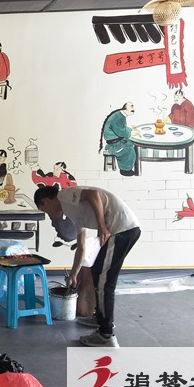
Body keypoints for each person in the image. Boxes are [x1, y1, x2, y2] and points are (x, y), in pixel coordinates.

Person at [33, 185, 141, 348]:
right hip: (120, 230)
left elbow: (93, 194)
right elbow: (81, 247)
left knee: (104, 281)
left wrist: (102, 226)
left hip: (122, 229)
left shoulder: (64, 195)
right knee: (97, 271)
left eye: (45, 211)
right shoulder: (72, 212)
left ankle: (106, 335)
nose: (49, 216)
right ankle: (100, 318)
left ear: (45, 202)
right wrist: (73, 274)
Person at [99, 102, 140, 177]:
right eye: (131, 107)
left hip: (117, 140)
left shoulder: (120, 115)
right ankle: (125, 170)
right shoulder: (117, 117)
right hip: (114, 144)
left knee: (132, 144)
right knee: (129, 150)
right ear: (125, 108)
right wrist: (132, 133)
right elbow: (121, 131)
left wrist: (131, 130)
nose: (133, 109)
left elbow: (122, 128)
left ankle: (128, 168)